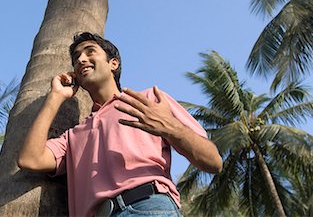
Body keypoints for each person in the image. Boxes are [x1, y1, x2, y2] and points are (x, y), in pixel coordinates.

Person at [18, 32, 222, 217]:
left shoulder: (150, 100)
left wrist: (169, 127)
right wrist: (56, 97)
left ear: (113, 63)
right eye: (76, 57)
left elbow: (213, 161)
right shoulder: (73, 136)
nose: (81, 59)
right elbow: (30, 159)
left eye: (90, 51)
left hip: (148, 208)